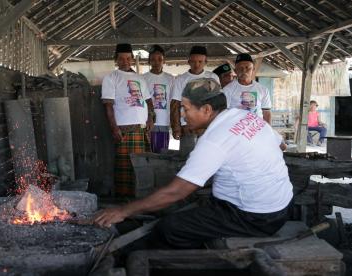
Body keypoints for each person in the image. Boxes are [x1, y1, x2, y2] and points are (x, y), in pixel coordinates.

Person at [95, 78, 293, 249]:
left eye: (186, 108)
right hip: (281, 207)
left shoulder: (214, 139)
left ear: (206, 110)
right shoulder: (246, 116)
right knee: (186, 206)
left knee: (170, 227)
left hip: (253, 218)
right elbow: (281, 145)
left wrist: (123, 211)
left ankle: (193, 262)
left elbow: (176, 192)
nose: (182, 114)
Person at [101, 43, 155, 197]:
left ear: (132, 59)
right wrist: (114, 128)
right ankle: (124, 200)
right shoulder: (111, 78)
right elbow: (108, 106)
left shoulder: (140, 78)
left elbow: (149, 101)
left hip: (142, 129)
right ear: (116, 60)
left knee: (141, 165)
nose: (125, 61)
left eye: (128, 58)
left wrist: (151, 119)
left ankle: (140, 197)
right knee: (125, 166)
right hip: (124, 130)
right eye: (121, 58)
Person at [170, 46, 220, 155]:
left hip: (207, 127)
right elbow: (175, 104)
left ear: (205, 61)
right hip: (187, 126)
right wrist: (176, 127)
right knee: (186, 157)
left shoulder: (212, 77)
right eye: (193, 61)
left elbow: (217, 103)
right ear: (189, 61)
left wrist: (216, 124)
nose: (196, 64)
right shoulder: (181, 79)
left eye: (200, 61)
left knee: (208, 156)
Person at [142, 45, 174, 153]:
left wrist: (173, 121)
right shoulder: (143, 78)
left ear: (164, 61)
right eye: (153, 60)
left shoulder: (170, 78)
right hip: (148, 122)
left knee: (162, 153)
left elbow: (173, 101)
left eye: (160, 59)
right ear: (149, 61)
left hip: (164, 121)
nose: (156, 62)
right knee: (149, 152)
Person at [223, 53, 272, 124]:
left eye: (247, 68)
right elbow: (224, 114)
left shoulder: (263, 90)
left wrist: (268, 132)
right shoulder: (227, 90)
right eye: (240, 68)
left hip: (257, 130)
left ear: (253, 69)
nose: (244, 71)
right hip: (236, 130)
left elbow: (266, 113)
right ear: (235, 70)